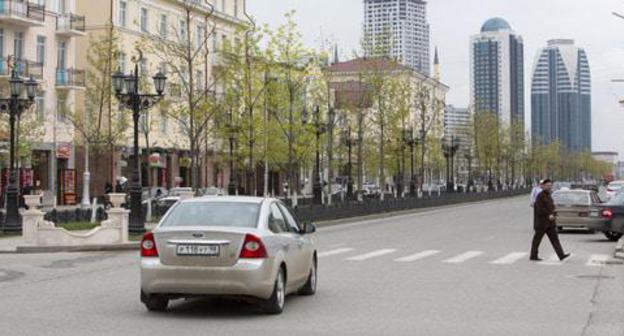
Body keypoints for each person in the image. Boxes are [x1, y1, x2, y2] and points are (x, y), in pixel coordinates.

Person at [530, 179, 571, 261]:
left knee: (555, 239)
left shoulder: (549, 195)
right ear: (543, 186)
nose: (549, 187)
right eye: (547, 186)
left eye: (550, 186)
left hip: (550, 223)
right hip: (542, 223)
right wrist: (548, 215)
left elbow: (551, 207)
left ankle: (561, 255)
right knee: (537, 240)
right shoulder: (540, 196)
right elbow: (540, 209)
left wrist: (554, 213)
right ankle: (533, 255)